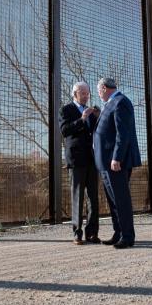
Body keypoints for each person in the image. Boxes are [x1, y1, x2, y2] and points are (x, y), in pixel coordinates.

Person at [93, 78, 141, 249]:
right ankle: (118, 232)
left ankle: (128, 237)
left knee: (121, 199)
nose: (99, 94)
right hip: (105, 162)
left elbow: (123, 133)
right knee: (113, 200)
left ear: (104, 88)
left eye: (99, 91)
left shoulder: (121, 102)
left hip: (115, 162)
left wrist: (117, 157)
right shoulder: (111, 104)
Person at [59, 82, 101, 245]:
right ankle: (77, 233)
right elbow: (65, 130)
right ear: (75, 94)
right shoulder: (66, 110)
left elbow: (96, 132)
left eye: (87, 92)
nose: (86, 95)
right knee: (77, 196)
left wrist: (98, 117)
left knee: (93, 198)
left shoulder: (91, 111)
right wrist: (82, 119)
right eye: (82, 92)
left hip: (92, 159)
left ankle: (92, 233)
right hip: (76, 159)